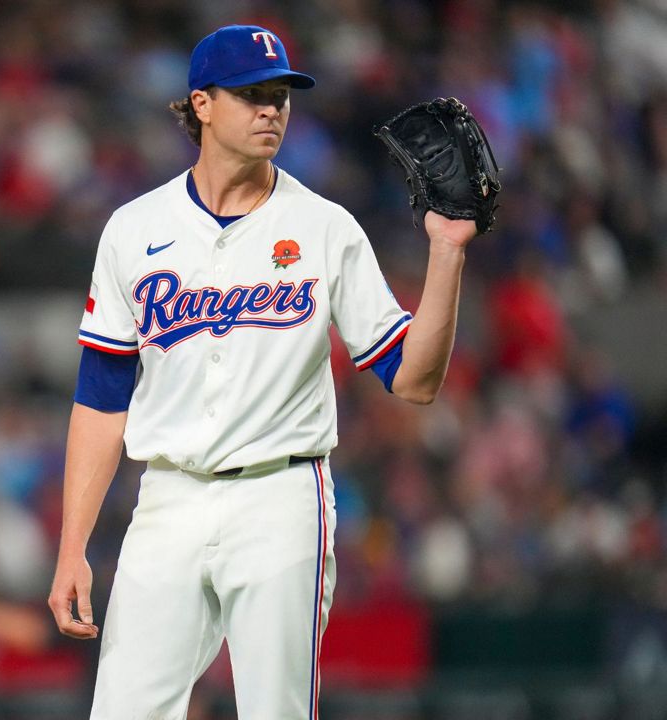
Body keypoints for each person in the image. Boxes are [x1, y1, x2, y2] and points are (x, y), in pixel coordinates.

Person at [47, 24, 479, 719]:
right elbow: (100, 397)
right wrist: (73, 549)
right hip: (168, 500)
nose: (272, 109)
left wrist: (447, 254)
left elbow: (414, 380)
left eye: (280, 95)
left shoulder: (324, 226)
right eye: (251, 95)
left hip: (281, 497)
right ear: (202, 105)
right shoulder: (133, 228)